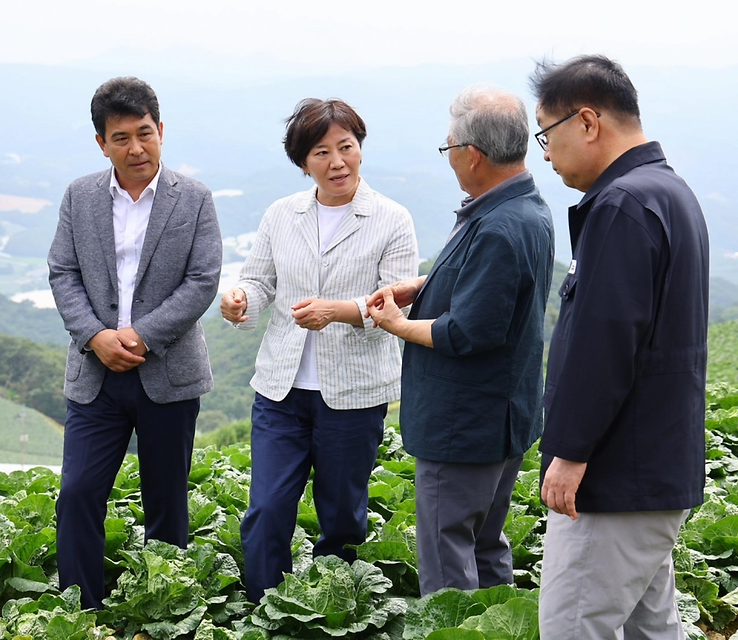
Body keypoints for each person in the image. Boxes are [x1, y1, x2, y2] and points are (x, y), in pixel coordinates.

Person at [530, 55, 709, 638]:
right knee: (650, 629)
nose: (546, 154)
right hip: (652, 467)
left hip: (614, 477)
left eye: (547, 135)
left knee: (572, 627)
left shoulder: (624, 204)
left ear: (587, 122)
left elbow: (607, 342)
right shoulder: (666, 191)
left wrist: (572, 451)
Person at [221, 98, 418, 604]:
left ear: (360, 148)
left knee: (342, 515)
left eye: (346, 148)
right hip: (281, 389)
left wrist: (339, 310)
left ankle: (333, 609)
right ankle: (265, 610)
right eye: (321, 152)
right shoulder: (282, 214)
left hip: (353, 393)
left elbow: (394, 304)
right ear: (304, 162)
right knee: (266, 509)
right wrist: (242, 300)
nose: (337, 162)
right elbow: (260, 280)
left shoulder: (392, 219)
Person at [366, 84, 554, 595]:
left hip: (465, 426)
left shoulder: (498, 225)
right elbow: (492, 288)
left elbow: (469, 330)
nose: (448, 157)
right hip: (502, 416)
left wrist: (397, 325)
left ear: (473, 156)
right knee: (486, 544)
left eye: (449, 148)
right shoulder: (524, 208)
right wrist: (422, 286)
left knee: (448, 555)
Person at [47, 76, 222, 609]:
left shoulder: (193, 199)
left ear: (161, 131)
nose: (136, 148)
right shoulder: (80, 196)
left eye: (145, 133)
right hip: (95, 375)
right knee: (77, 493)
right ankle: (83, 612)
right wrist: (96, 336)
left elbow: (203, 281)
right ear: (102, 143)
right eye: (121, 137)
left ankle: (161, 610)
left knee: (165, 502)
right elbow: (62, 271)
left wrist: (140, 335)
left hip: (167, 373)